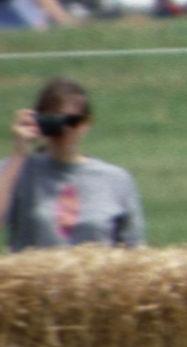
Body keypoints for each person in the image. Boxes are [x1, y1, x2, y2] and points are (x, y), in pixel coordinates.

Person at [4, 78, 145, 250]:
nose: (65, 131)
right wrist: (19, 152)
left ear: (87, 124)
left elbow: (135, 249)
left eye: (72, 122)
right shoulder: (18, 171)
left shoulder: (116, 180)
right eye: (54, 122)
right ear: (39, 123)